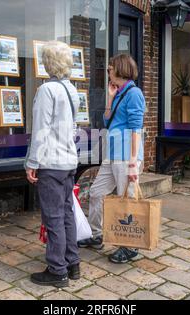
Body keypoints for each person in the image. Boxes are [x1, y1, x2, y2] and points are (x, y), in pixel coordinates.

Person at [78, 54, 146, 264]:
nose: (107, 72)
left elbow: (136, 129)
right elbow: (107, 120)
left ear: (120, 69)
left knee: (127, 201)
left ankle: (130, 247)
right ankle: (96, 234)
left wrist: (134, 162)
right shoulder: (119, 93)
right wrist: (110, 98)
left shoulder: (134, 93)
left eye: (110, 68)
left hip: (126, 156)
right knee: (97, 192)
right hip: (113, 154)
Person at [25, 41, 81, 287]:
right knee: (66, 213)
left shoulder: (47, 90)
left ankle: (57, 270)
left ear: (48, 63)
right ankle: (72, 262)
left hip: (51, 162)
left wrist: (32, 162)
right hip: (69, 161)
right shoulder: (72, 90)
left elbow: (40, 130)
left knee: (53, 217)